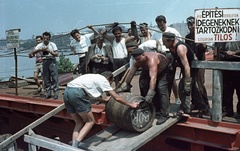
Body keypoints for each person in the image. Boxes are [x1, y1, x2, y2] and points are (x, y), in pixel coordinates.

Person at [63, 71, 139, 148]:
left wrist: (104, 100)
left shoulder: (93, 77)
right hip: (77, 93)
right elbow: (117, 97)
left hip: (67, 92)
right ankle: (75, 146)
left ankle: (73, 144)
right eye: (111, 83)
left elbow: (92, 96)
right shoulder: (103, 80)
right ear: (108, 79)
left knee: (79, 122)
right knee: (90, 121)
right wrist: (131, 104)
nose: (109, 85)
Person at [116, 48, 175, 125]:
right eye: (136, 60)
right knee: (143, 82)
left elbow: (153, 78)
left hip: (165, 69)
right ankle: (151, 107)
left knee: (161, 88)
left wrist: (150, 95)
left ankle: (165, 114)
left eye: (139, 59)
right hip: (149, 69)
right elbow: (130, 74)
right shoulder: (137, 61)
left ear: (144, 55)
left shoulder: (152, 60)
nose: (138, 61)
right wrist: (124, 86)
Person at [162, 32, 208, 114]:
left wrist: (187, 82)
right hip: (185, 68)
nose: (163, 43)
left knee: (184, 88)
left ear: (170, 41)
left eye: (164, 41)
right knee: (193, 88)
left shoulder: (180, 48)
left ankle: (186, 109)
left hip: (191, 68)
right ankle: (203, 107)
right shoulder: (171, 47)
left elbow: (187, 67)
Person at [151, 15, 182, 104]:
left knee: (171, 78)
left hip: (170, 54)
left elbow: (180, 42)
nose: (160, 27)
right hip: (160, 55)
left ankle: (176, 98)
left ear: (165, 22)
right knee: (161, 78)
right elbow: (152, 44)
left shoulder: (172, 31)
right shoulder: (155, 33)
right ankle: (163, 100)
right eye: (158, 25)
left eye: (162, 25)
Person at [185, 16, 209, 109]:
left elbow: (204, 48)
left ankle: (206, 104)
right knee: (191, 84)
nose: (190, 27)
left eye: (192, 24)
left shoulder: (201, 35)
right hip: (191, 64)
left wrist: (201, 44)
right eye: (188, 25)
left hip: (200, 63)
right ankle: (195, 103)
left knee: (200, 84)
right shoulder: (187, 37)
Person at [32, 32, 59, 99]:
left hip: (52, 61)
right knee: (46, 78)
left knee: (54, 78)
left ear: (49, 38)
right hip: (44, 61)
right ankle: (48, 93)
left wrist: (49, 51)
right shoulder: (40, 45)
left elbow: (56, 54)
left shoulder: (53, 44)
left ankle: (55, 93)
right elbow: (32, 52)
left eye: (47, 38)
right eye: (44, 38)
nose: (45, 40)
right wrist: (39, 50)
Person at [221, 41, 240, 118]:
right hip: (226, 64)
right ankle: (227, 111)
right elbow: (218, 48)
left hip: (238, 63)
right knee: (227, 89)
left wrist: (234, 52)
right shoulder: (222, 35)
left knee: (239, 88)